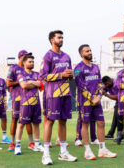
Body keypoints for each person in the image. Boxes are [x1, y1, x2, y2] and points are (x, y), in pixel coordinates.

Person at [39, 30, 77, 165]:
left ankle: (63, 152)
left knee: (63, 122)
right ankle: (46, 154)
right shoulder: (48, 56)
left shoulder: (67, 56)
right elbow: (43, 76)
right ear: (51, 40)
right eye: (59, 37)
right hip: (52, 95)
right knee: (50, 122)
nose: (61, 39)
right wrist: (62, 75)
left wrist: (71, 75)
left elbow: (70, 75)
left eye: (62, 37)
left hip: (65, 93)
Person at [74, 44, 117, 160]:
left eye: (90, 50)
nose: (89, 52)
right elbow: (80, 86)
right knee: (85, 124)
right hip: (85, 102)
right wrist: (91, 98)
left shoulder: (96, 67)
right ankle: (87, 150)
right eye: (86, 51)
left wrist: (98, 97)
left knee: (101, 123)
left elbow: (100, 83)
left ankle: (102, 149)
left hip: (97, 101)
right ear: (81, 54)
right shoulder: (78, 68)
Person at [14, 54, 44, 155]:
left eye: (32, 62)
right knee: (21, 124)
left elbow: (41, 84)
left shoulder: (37, 74)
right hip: (25, 104)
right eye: (29, 62)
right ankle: (17, 146)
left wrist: (31, 82)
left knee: (36, 124)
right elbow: (24, 85)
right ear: (24, 63)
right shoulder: (20, 74)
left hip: (36, 103)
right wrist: (34, 82)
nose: (31, 63)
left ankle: (37, 144)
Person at [6, 50, 34, 151]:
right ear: (20, 57)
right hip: (17, 98)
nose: (27, 58)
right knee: (15, 119)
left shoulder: (28, 69)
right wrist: (20, 81)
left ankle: (31, 143)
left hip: (28, 97)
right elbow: (8, 84)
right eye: (25, 56)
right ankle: (12, 143)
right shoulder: (13, 68)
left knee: (28, 120)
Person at [102, 76, 119, 140]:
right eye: (105, 84)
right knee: (115, 117)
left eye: (106, 84)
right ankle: (111, 134)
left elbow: (118, 97)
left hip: (123, 101)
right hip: (118, 103)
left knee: (118, 118)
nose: (106, 86)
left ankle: (120, 134)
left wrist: (106, 94)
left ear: (110, 81)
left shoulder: (117, 84)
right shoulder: (108, 85)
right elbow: (103, 90)